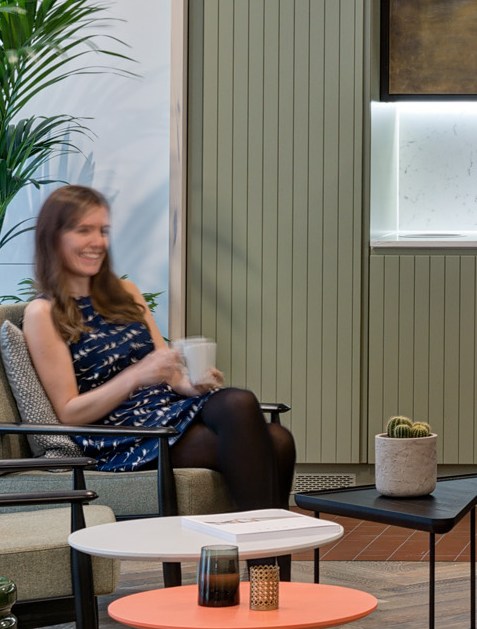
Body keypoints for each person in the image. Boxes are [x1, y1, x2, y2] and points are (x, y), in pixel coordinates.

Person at [21, 184, 298, 508]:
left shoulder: (126, 292)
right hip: (118, 436)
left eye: (103, 230)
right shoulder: (43, 313)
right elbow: (68, 412)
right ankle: (257, 556)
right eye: (84, 230)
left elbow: (166, 371)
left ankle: (261, 558)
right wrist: (137, 376)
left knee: (263, 424)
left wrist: (191, 385)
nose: (98, 242)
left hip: (165, 412)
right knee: (271, 437)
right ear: (54, 237)